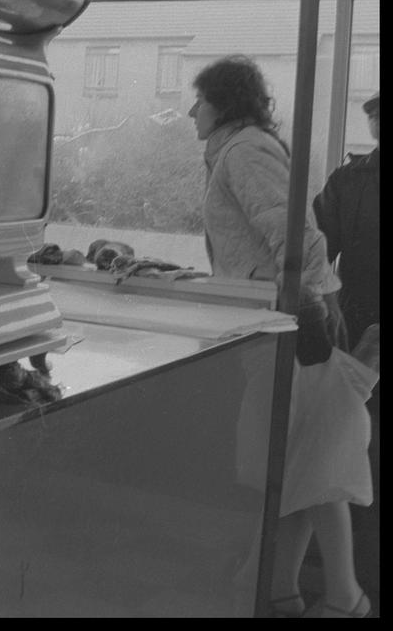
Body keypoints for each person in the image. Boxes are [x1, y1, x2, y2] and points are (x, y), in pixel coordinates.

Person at [189, 55, 377, 618]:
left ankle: (345, 598)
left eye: (198, 99)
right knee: (295, 460)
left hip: (291, 320)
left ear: (222, 102)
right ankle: (277, 587)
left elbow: (294, 231)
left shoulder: (244, 150)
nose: (190, 110)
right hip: (278, 316)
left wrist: (311, 308)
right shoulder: (234, 149)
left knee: (314, 461)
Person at [312, 91, 380, 606]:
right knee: (352, 441)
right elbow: (315, 247)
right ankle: (353, 572)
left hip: (360, 318)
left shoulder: (353, 180)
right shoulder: (351, 180)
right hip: (361, 322)